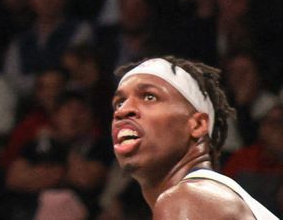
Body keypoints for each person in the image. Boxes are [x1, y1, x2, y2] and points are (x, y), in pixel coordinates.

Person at [115, 56, 280, 220]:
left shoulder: (186, 200)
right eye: (119, 102)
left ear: (198, 125)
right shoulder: (206, 197)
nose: (122, 111)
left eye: (149, 97)